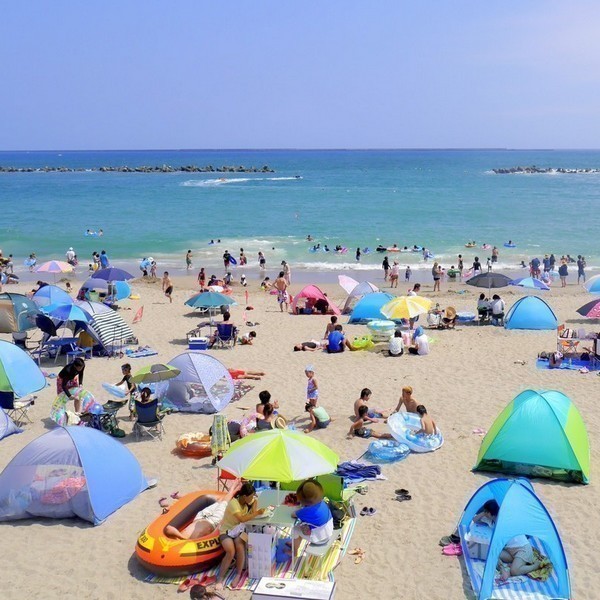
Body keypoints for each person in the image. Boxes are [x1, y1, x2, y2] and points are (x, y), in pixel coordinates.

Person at [214, 482, 265, 590]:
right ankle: (220, 578)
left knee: (240, 545)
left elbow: (253, 509)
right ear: (244, 496)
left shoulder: (248, 501)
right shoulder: (234, 503)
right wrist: (257, 513)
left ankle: (238, 574)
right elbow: (241, 519)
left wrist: (255, 502)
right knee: (230, 551)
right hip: (227, 530)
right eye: (251, 496)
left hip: (240, 529)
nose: (252, 498)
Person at [472, 500, 540, 579]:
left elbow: (500, 543)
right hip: (510, 551)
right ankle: (504, 570)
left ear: (491, 513)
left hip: (522, 548)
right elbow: (474, 520)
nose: (485, 513)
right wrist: (483, 513)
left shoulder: (503, 523)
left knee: (514, 571)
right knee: (491, 553)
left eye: (486, 512)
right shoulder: (491, 521)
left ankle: (535, 566)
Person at [165, 479, 244, 541]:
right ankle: (235, 489)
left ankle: (234, 488)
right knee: (223, 503)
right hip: (213, 521)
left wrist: (183, 539)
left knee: (220, 502)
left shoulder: (177, 539)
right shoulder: (189, 546)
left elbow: (168, 528)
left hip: (200, 518)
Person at [289, 481, 333, 555]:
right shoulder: (322, 503)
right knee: (301, 527)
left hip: (320, 539)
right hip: (328, 532)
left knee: (295, 529)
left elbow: (293, 515)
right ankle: (295, 543)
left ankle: (294, 551)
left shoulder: (305, 511)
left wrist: (298, 507)